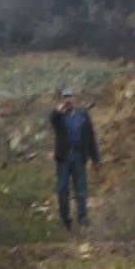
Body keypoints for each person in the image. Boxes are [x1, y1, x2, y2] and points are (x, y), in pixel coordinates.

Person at [48, 86, 100, 229]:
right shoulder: (59, 117)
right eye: (65, 97)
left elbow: (90, 137)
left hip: (78, 156)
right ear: (62, 100)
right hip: (64, 157)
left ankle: (82, 218)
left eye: (70, 97)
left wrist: (95, 158)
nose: (68, 100)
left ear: (74, 98)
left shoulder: (83, 116)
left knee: (81, 189)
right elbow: (52, 120)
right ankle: (65, 220)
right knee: (62, 188)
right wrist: (57, 111)